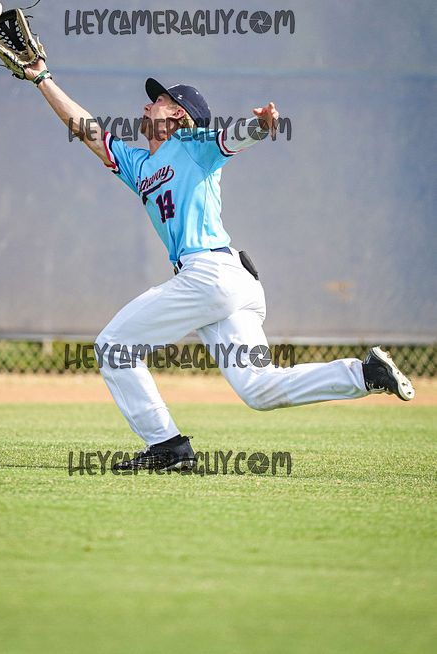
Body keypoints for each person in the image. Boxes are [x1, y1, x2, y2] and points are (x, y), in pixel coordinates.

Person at [24, 59, 415, 471]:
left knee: (114, 347)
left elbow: (230, 139)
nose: (146, 105)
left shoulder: (193, 145)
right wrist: (42, 79)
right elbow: (86, 128)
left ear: (180, 115)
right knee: (259, 389)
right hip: (228, 283)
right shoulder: (138, 165)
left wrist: (259, 126)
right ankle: (364, 374)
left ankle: (167, 446)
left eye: (158, 100)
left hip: (209, 273)